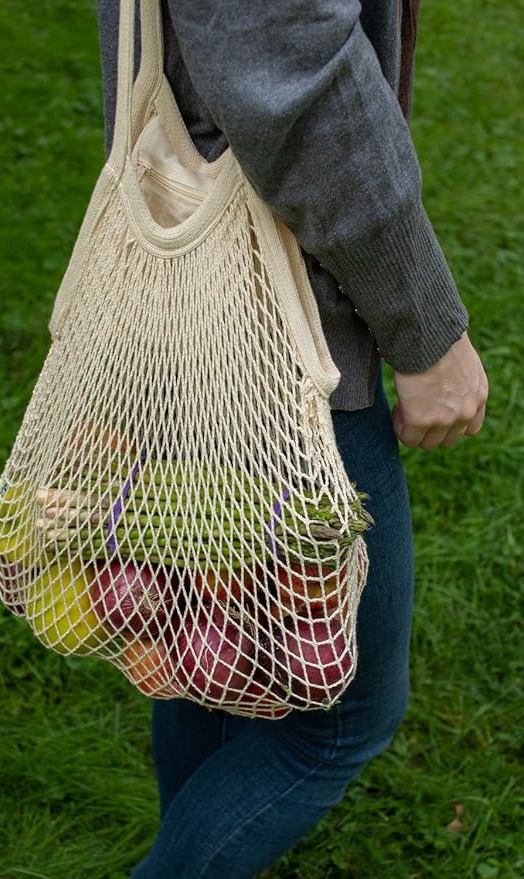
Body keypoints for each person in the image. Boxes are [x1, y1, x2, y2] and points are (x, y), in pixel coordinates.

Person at [96, 2, 489, 876]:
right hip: (286, 335)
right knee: (341, 719)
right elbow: (288, 71)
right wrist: (424, 329)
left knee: (206, 647)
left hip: (179, 295)